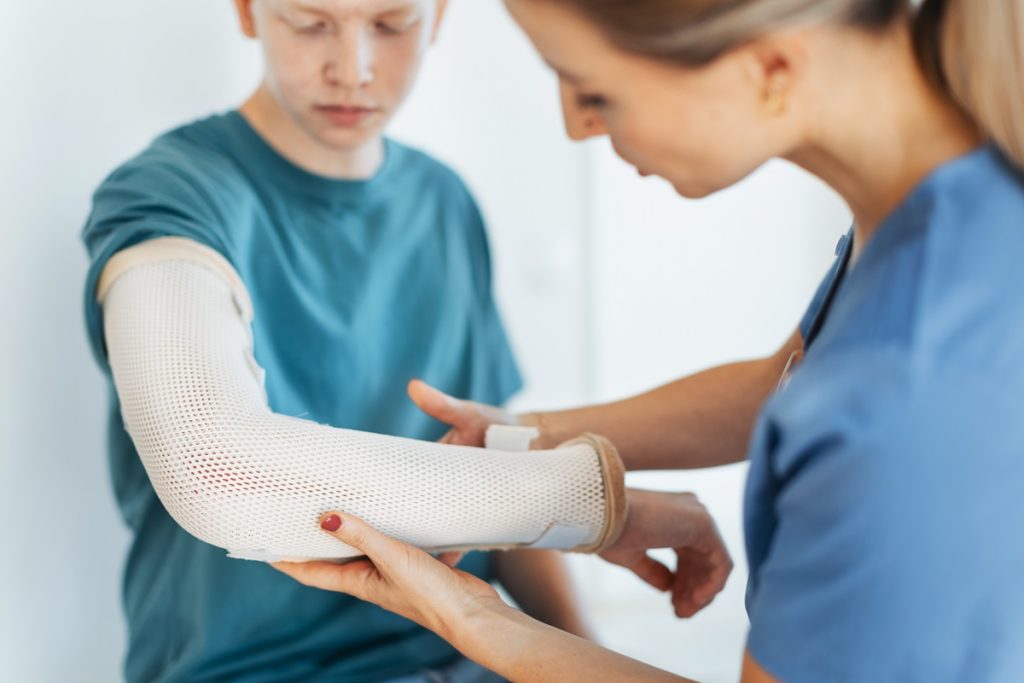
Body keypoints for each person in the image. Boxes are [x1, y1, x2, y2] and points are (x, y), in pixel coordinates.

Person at [273, 0, 1024, 681]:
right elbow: (782, 381)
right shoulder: (940, 204)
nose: (576, 124)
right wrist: (526, 437)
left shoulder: (911, 385)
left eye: (594, 89)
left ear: (770, 67)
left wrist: (473, 616)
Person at [81, 1, 611, 680]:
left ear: (440, 16)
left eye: (391, 25)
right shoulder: (172, 193)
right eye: (310, 23)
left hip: (464, 658)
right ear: (248, 10)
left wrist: (587, 650)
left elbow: (494, 455)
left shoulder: (444, 201)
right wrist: (598, 504)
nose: (353, 70)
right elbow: (208, 453)